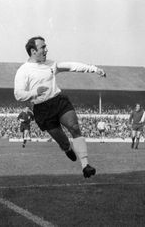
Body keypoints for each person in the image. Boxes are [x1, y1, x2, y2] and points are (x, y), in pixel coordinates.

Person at [14, 36, 106, 178]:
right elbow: (18, 94)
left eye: (46, 46)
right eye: (43, 47)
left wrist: (93, 69)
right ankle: (67, 148)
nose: (46, 50)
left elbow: (71, 66)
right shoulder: (23, 70)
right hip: (42, 110)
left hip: (58, 101)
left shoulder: (51, 64)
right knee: (62, 140)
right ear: (33, 51)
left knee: (74, 127)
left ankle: (85, 165)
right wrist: (34, 93)